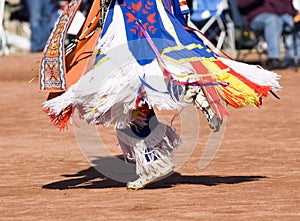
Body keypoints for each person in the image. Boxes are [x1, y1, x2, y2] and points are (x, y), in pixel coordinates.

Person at [39, 0, 280, 190]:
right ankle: (156, 153)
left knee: (124, 81)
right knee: (135, 81)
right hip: (148, 8)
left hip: (132, 11)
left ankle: (187, 89)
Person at [237, 0, 299, 70]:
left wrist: (295, 13)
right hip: (257, 17)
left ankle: (294, 57)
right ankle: (273, 59)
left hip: (283, 16)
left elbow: (287, 5)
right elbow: (241, 4)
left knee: (297, 20)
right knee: (273, 20)